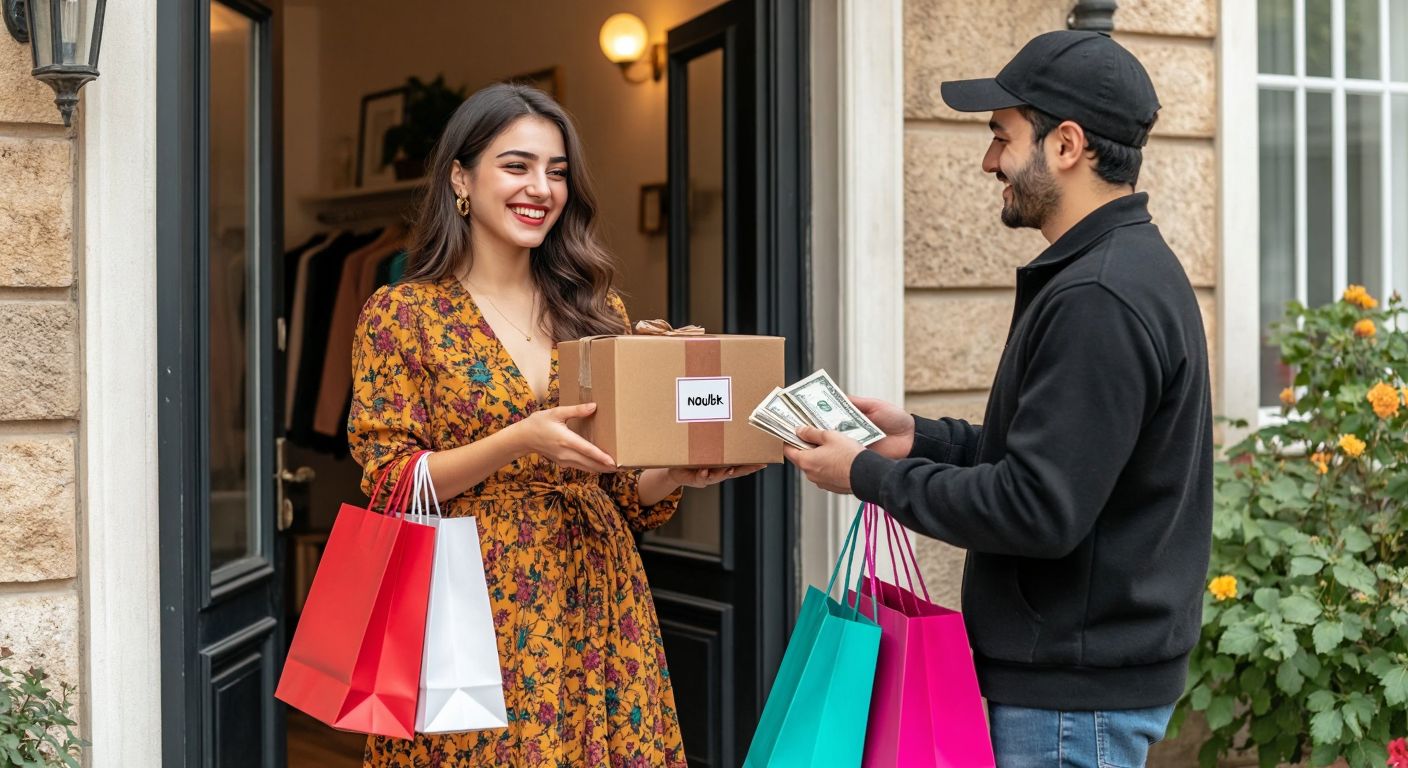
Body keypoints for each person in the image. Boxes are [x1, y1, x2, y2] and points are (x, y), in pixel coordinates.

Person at [784, 31, 1212, 767]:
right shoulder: (1110, 271)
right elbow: (1064, 464)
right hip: (1076, 693)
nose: (990, 163)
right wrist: (922, 438)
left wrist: (865, 475)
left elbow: (1037, 509)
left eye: (1001, 137)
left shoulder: (1100, 296)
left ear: (1068, 145)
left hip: (1072, 705)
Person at [348, 83, 760, 768]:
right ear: (461, 177)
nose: (540, 187)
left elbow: (626, 494)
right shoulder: (402, 315)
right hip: (471, 608)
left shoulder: (598, 313)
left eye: (557, 170)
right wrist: (521, 438)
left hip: (599, 595)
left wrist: (676, 471)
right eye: (517, 165)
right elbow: (390, 481)